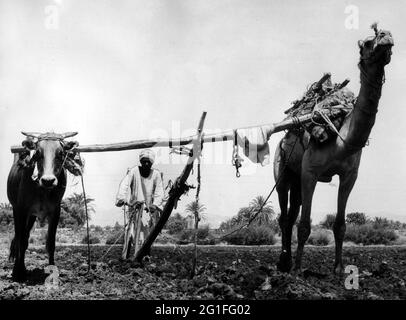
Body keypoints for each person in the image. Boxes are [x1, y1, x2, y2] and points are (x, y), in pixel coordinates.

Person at [115, 149, 164, 259]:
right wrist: (123, 200)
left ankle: (144, 259)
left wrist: (155, 205)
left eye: (149, 162)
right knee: (129, 233)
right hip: (134, 208)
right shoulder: (134, 171)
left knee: (146, 234)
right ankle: (125, 258)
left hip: (147, 211)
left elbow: (159, 192)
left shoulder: (156, 174)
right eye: (144, 161)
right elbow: (125, 184)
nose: (146, 164)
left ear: (152, 163)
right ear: (141, 161)